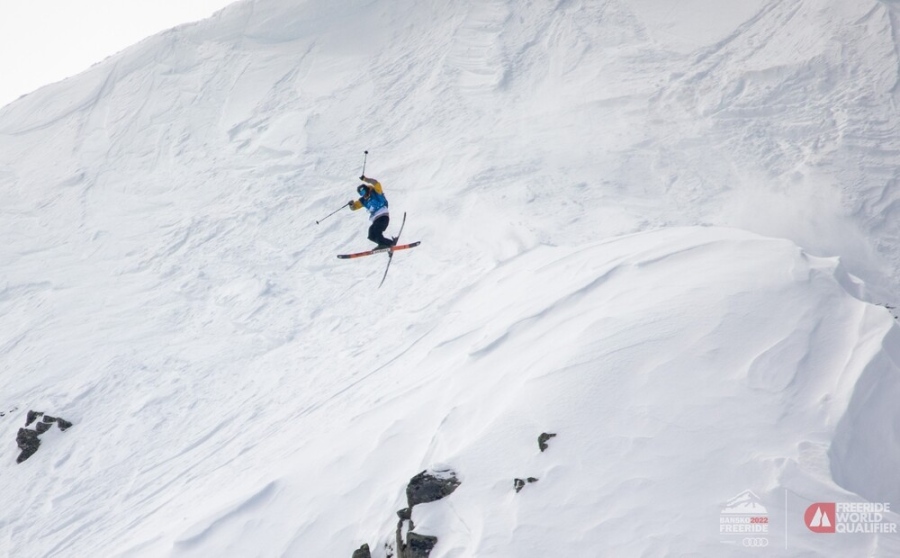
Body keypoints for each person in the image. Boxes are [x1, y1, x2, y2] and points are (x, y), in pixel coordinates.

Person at [348, 175, 397, 249]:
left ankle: (383, 244)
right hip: (376, 219)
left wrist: (365, 179)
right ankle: (390, 244)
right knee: (371, 235)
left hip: (383, 216)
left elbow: (375, 182)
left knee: (377, 231)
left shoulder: (376, 192)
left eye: (363, 192)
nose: (363, 195)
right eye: (361, 194)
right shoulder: (363, 201)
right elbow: (354, 207)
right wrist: (351, 205)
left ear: (367, 189)